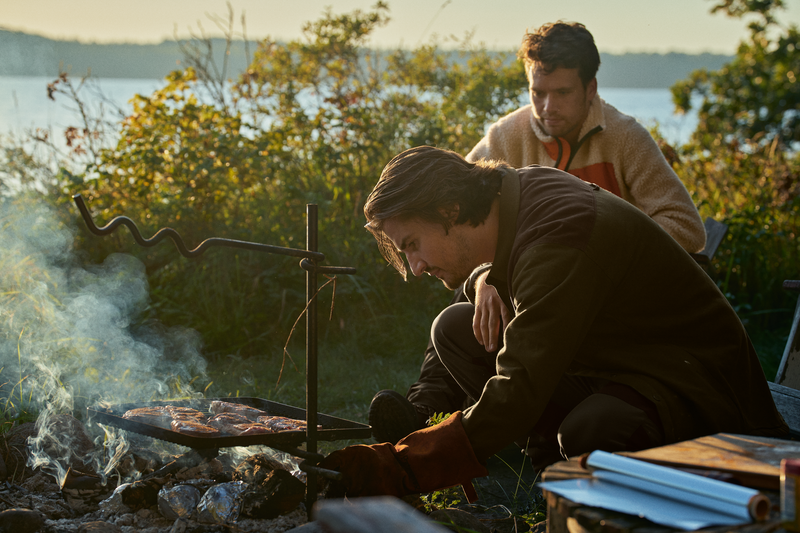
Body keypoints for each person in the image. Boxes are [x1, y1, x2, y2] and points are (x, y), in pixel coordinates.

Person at [320, 146, 788, 501]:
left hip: (693, 384)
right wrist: (486, 280)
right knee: (457, 330)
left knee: (591, 429)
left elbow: (518, 390)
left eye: (411, 244)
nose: (416, 267)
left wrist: (402, 467)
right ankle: (553, 477)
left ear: (449, 211)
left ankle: (593, 494)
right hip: (615, 359)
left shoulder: (559, 238)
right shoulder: (516, 193)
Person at [368, 21, 707, 443]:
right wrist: (486, 274)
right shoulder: (506, 136)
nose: (547, 107)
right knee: (463, 295)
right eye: (537, 93)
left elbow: (686, 227)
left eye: (561, 93)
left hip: (608, 301)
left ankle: (517, 418)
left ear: (590, 89)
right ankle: (427, 410)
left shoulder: (625, 139)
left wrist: (601, 255)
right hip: (528, 288)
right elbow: (454, 219)